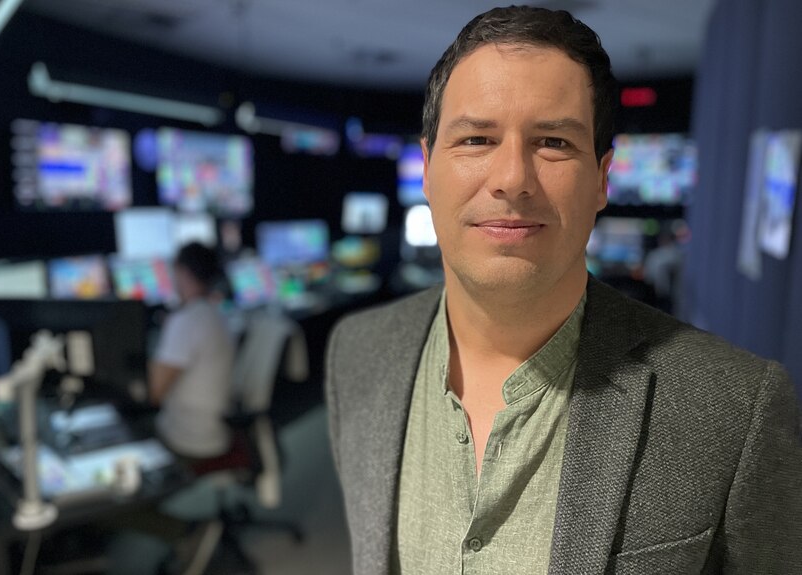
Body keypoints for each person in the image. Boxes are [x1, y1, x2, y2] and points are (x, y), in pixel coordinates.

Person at [325, 6, 802, 575]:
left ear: (602, 178)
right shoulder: (355, 356)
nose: (511, 179)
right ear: (427, 169)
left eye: (552, 142)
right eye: (476, 138)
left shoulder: (735, 407)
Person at [149, 242, 235, 463]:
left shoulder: (185, 321)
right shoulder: (216, 314)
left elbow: (155, 393)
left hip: (189, 437)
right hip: (215, 429)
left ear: (183, 272)